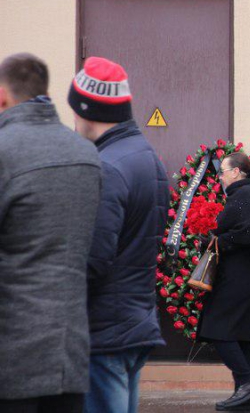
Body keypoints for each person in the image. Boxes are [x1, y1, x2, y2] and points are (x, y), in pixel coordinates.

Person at [0, 53, 101, 413]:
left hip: (12, 359)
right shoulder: (85, 154)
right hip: (69, 352)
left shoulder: (6, 151)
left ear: (2, 96)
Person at [68, 56, 169, 412]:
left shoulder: (107, 166)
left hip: (104, 332)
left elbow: (92, 258)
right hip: (133, 322)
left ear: (85, 109)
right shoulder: (146, 157)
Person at [196, 152, 250, 412]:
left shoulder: (245, 195)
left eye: (223, 170)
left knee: (217, 328)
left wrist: (217, 240)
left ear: (236, 172)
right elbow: (246, 231)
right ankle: (247, 399)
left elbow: (248, 234)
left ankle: (247, 383)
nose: (219, 175)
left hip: (243, 278)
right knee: (244, 336)